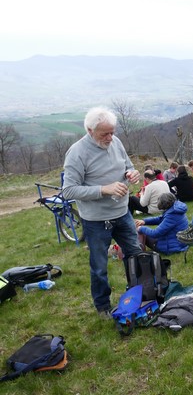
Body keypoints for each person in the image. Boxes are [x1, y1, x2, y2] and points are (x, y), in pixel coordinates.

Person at [62, 106, 143, 317]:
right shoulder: (77, 152)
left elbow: (128, 165)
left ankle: (138, 294)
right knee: (99, 266)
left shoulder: (116, 142)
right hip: (96, 220)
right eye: (104, 133)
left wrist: (132, 173)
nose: (109, 137)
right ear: (90, 130)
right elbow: (68, 190)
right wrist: (103, 190)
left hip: (122, 213)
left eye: (112, 132)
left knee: (135, 255)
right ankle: (103, 306)